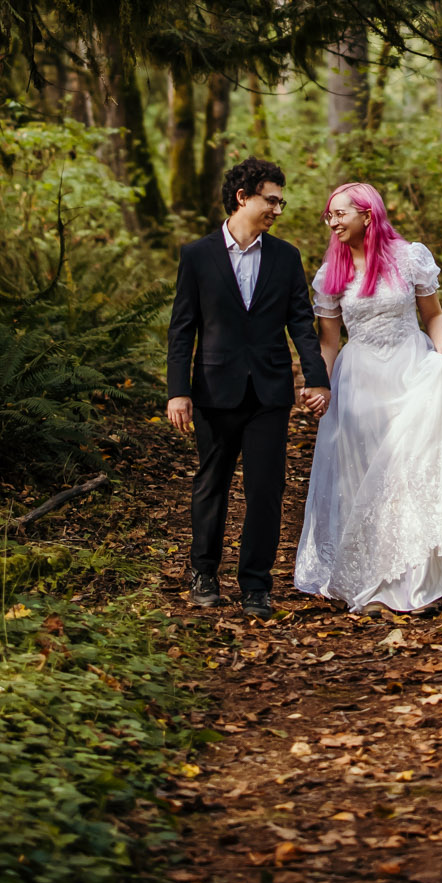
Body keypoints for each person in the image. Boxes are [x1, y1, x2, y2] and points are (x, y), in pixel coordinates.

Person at [294, 181, 442, 614]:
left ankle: (411, 583)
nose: (332, 222)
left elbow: (434, 315)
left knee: (408, 476)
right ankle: (369, 581)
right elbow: (328, 342)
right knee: (362, 477)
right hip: (360, 382)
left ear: (367, 213)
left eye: (339, 213)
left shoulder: (409, 258)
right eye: (328, 216)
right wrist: (319, 384)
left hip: (411, 373)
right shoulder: (331, 274)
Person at [165, 156, 329, 616]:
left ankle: (256, 584)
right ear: (243, 197)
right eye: (271, 199)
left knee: (266, 488)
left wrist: (317, 378)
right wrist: (179, 390)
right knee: (210, 483)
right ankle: (204, 572)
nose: (279, 208)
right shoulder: (197, 255)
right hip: (214, 390)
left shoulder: (286, 256)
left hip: (269, 393)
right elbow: (182, 328)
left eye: (281, 201)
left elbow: (301, 324)